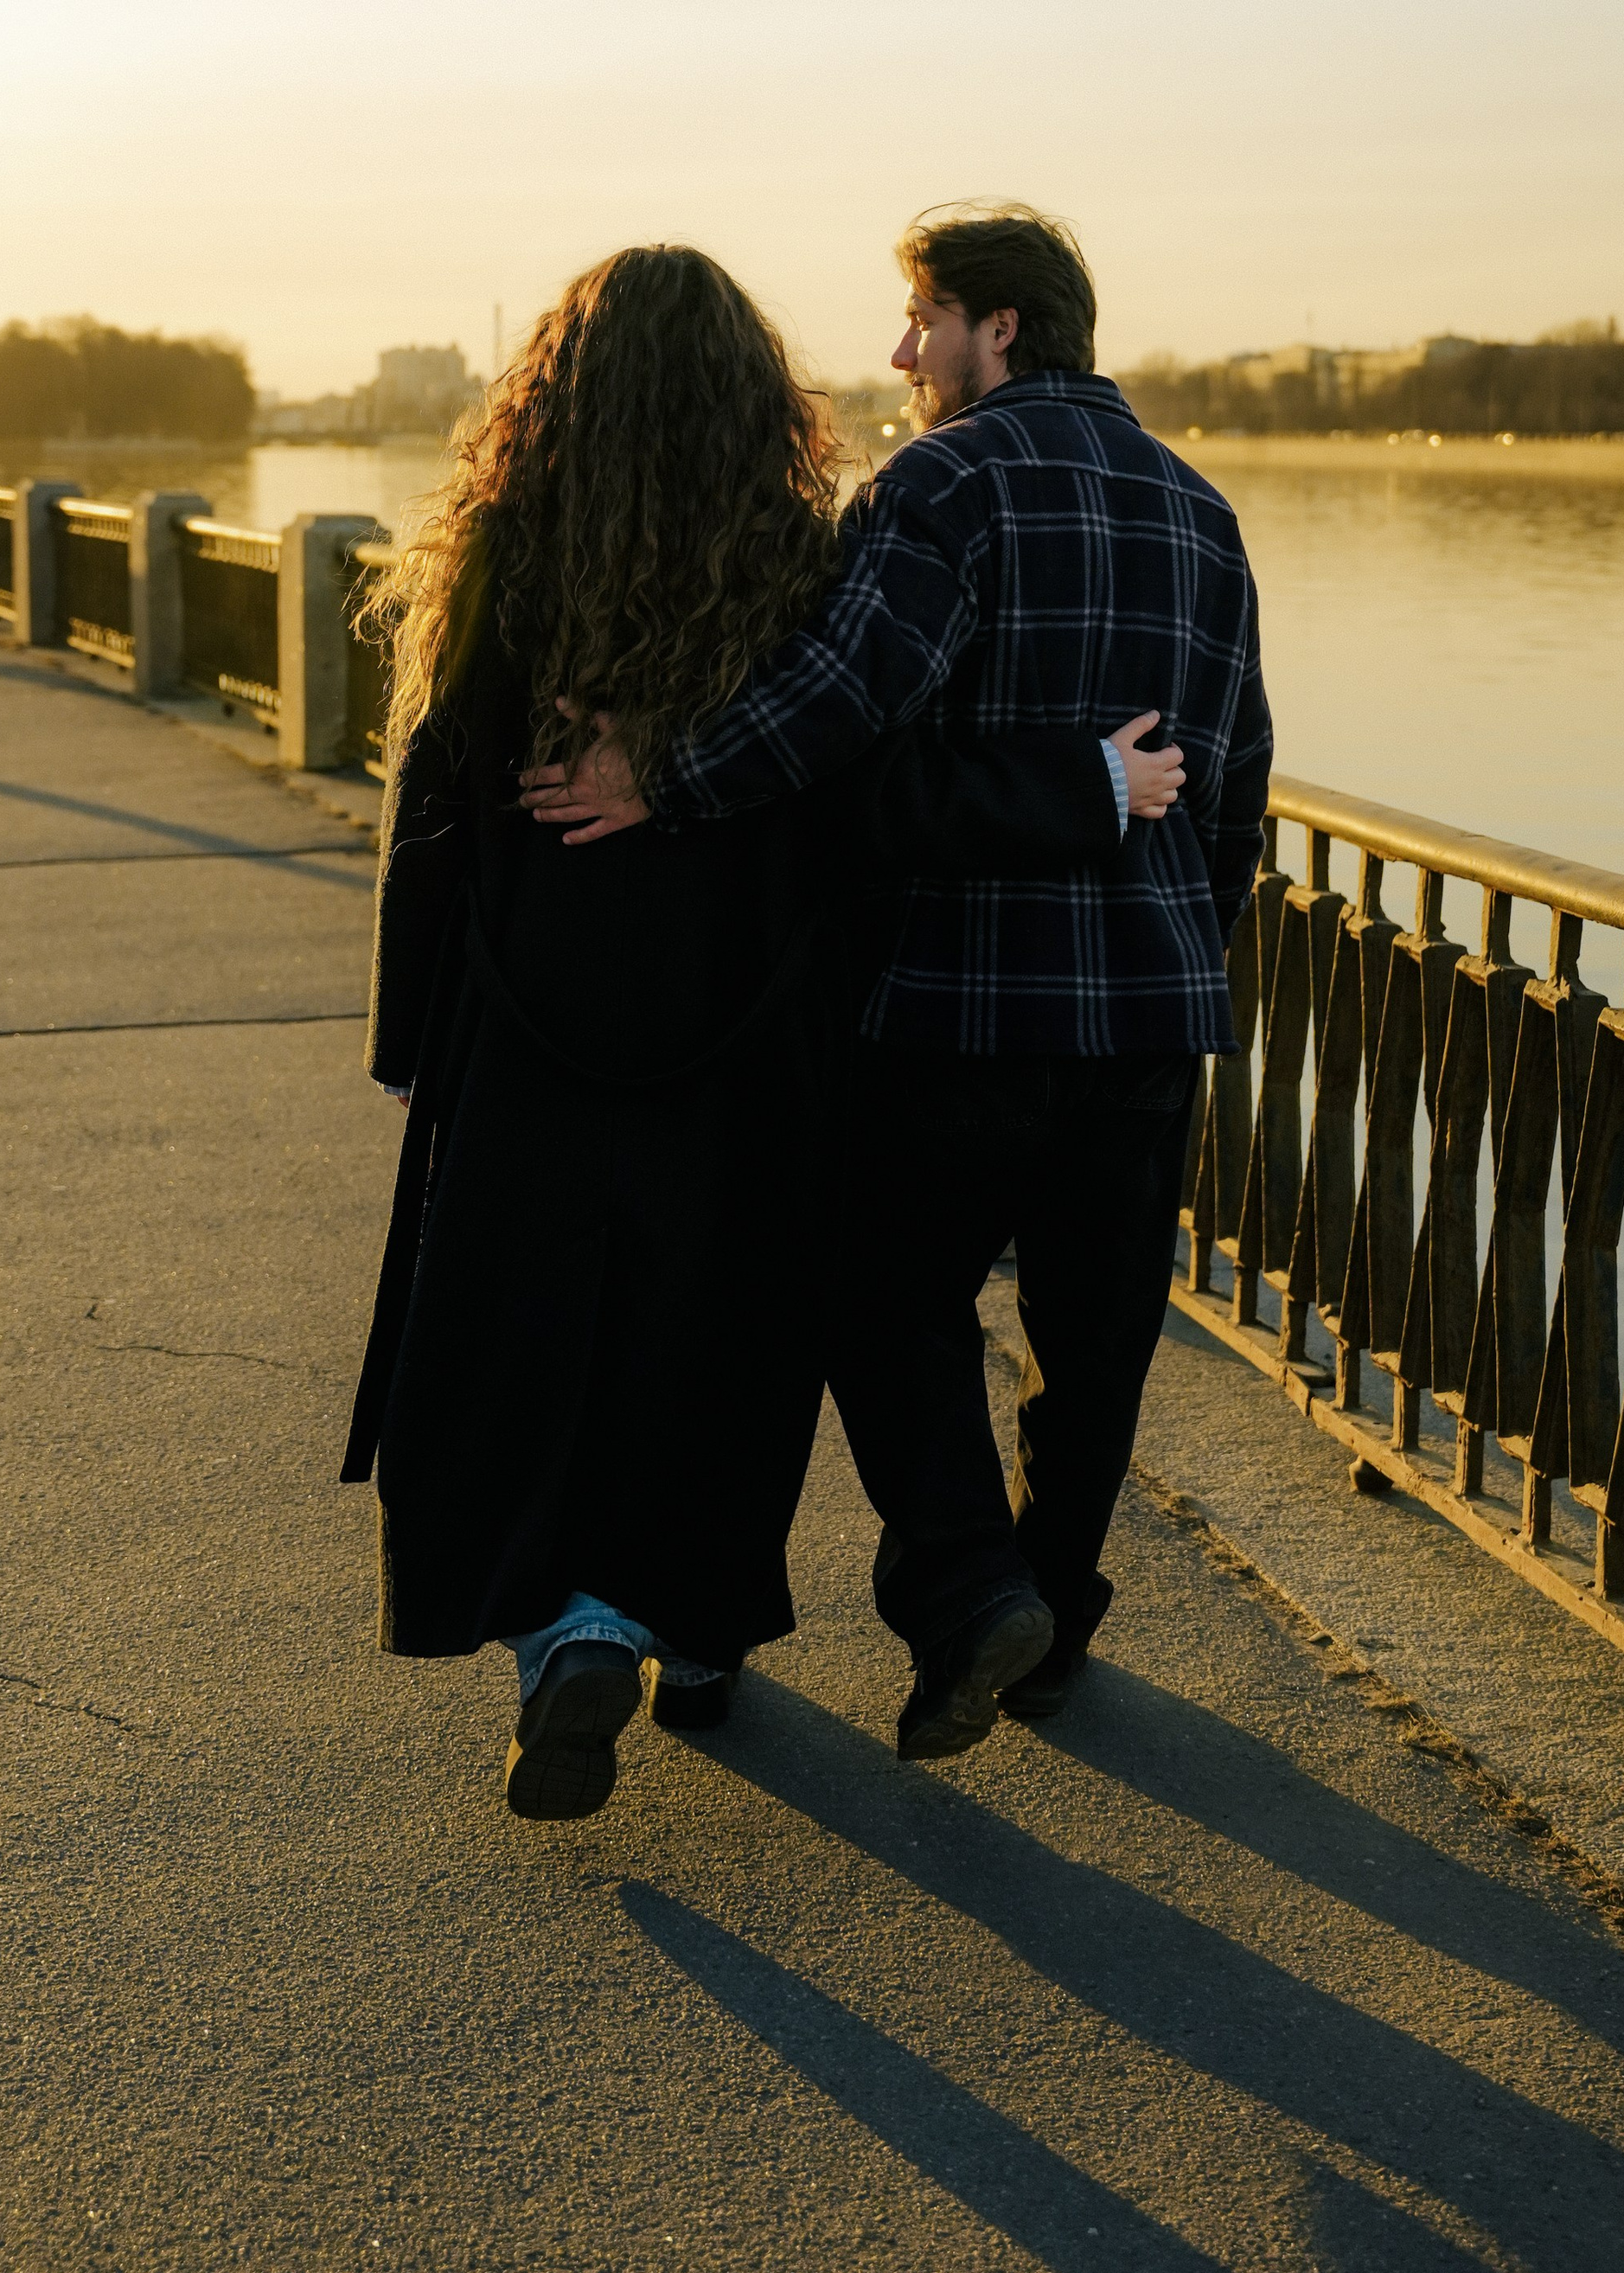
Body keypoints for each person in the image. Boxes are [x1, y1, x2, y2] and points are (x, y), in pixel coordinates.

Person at [344, 242, 1186, 1821]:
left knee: (529, 1334)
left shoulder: (503, 557)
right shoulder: (800, 562)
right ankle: (689, 1631)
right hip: (749, 1027)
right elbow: (858, 783)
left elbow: (436, 805)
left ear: (554, 395)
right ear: (753, 399)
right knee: (714, 1341)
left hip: (532, 1021)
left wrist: (413, 1034)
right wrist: (1081, 790)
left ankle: (564, 1629)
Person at [522, 203, 1271, 1760]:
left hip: (956, 1003)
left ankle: (970, 1585)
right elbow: (1236, 781)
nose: (901, 353)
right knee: (1097, 1341)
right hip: (1150, 1017)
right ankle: (1050, 1620)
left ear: (1000, 328)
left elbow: (839, 705)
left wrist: (664, 774)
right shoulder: (1202, 510)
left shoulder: (942, 485)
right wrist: (1183, 949)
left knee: (884, 1302)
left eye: (922, 319)